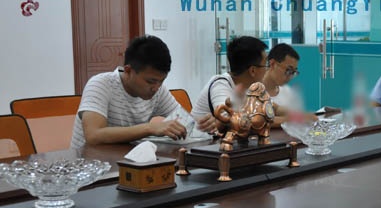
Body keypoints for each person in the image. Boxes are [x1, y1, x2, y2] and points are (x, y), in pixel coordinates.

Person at [70, 35, 214, 149]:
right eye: (150, 81)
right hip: (89, 167)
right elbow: (94, 136)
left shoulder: (158, 91)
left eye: (161, 81)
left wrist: (203, 125)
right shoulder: (101, 84)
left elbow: (185, 123)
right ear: (128, 70)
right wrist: (150, 128)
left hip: (126, 161)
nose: (156, 88)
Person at [190, 36, 269, 126]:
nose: (267, 69)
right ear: (253, 71)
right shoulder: (220, 85)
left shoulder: (250, 88)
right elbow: (232, 122)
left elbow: (270, 111)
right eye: (265, 64)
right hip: (201, 135)